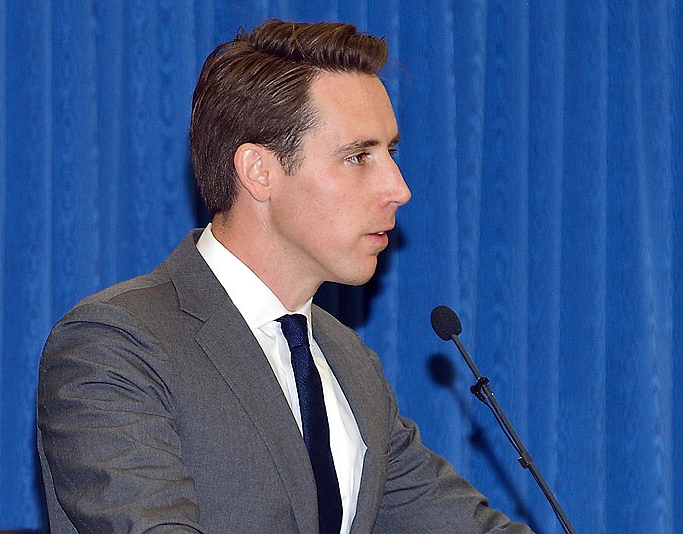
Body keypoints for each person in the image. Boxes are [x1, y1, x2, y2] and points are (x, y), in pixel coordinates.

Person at [37, 19, 534, 533]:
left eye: (392, 153)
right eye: (359, 156)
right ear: (258, 171)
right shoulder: (117, 344)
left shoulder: (349, 364)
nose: (398, 188)